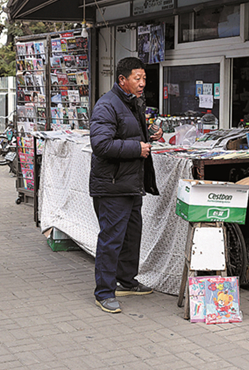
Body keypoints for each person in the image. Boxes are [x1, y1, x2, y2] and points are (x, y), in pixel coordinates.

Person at [88, 57, 161, 313]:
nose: (142, 84)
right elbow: (101, 145)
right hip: (112, 185)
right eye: (136, 79)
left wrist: (149, 134)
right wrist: (137, 147)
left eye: (144, 79)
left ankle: (127, 281)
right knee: (111, 239)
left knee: (131, 237)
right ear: (122, 80)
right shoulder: (107, 105)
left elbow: (128, 132)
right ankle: (104, 292)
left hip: (131, 183)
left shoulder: (132, 103)